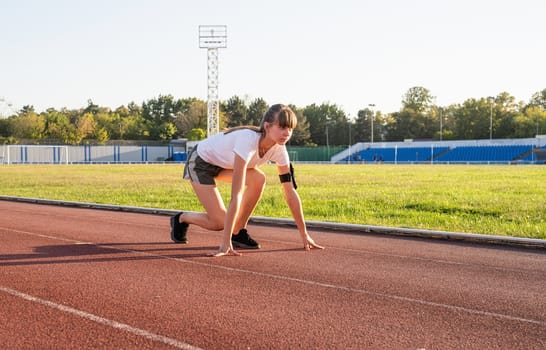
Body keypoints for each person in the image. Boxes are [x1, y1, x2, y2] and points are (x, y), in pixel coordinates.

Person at [170, 103, 324, 257]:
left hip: (224, 164)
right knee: (220, 222)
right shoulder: (247, 141)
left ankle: (238, 231)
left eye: (290, 129)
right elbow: (236, 195)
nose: (287, 133)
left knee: (259, 178)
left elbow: (290, 193)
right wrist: (224, 244)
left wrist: (304, 234)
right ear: (267, 126)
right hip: (201, 163)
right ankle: (182, 218)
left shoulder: (280, 150)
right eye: (282, 127)